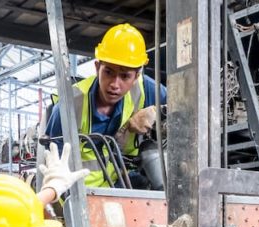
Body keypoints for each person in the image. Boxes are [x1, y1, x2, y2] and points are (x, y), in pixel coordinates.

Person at [44, 23, 167, 188]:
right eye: (108, 72)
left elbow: (189, 110)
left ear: (137, 76)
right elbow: (54, 166)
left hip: (124, 186)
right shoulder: (70, 106)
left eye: (125, 76)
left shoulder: (148, 91)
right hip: (81, 195)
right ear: (97, 67)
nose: (115, 84)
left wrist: (158, 111)